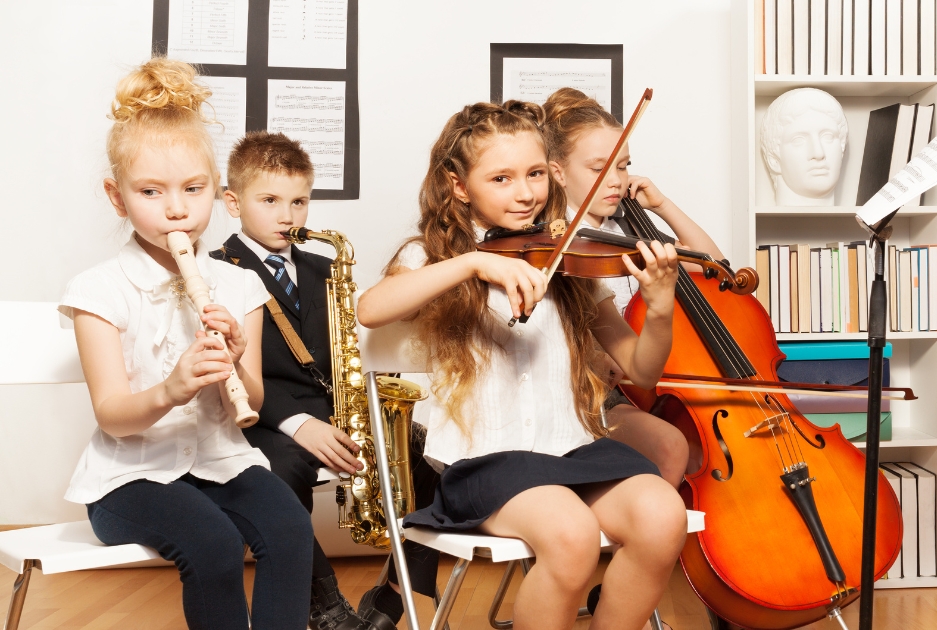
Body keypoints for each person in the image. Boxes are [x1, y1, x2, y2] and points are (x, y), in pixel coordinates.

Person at [355, 100, 688, 630]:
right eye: (502, 178)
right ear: (459, 185)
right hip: (486, 464)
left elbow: (641, 370)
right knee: (571, 536)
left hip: (572, 452)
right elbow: (370, 310)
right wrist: (473, 262)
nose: (526, 192)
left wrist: (663, 307)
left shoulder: (567, 262)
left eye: (535, 174)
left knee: (662, 514)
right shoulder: (433, 259)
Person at [59, 57, 312, 630]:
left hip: (222, 461)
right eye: (151, 191)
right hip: (129, 477)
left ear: (216, 191)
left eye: (193, 189)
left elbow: (246, 407)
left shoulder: (241, 283)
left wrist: (240, 361)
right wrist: (173, 388)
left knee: (292, 528)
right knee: (214, 544)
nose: (176, 209)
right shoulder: (98, 290)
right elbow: (114, 418)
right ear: (117, 196)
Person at [211, 130, 436, 630]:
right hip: (256, 417)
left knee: (429, 458)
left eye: (299, 201)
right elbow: (227, 371)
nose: (287, 216)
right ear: (232, 201)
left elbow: (344, 352)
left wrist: (368, 404)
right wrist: (297, 424)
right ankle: (325, 606)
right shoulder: (215, 273)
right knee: (281, 467)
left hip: (330, 409)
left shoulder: (324, 266)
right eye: (268, 201)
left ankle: (392, 597)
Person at [542, 87, 729, 489]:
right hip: (595, 393)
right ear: (558, 172)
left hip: (648, 380)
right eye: (599, 169)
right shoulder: (554, 238)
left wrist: (662, 206)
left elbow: (716, 272)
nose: (616, 180)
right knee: (671, 446)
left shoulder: (625, 227)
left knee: (703, 448)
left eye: (624, 166)